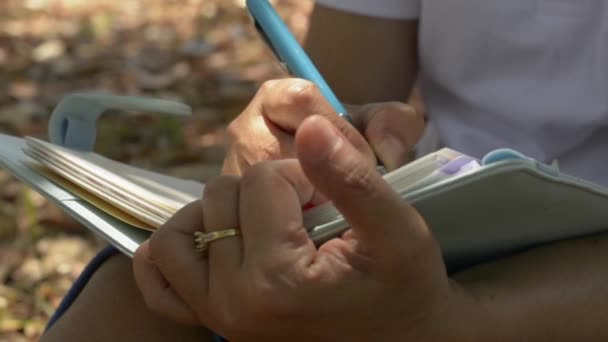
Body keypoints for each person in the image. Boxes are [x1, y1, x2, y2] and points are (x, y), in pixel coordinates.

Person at [42, 1, 608, 341]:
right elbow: (343, 96)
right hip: (438, 223)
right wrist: (302, 146)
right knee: (140, 291)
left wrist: (459, 324)